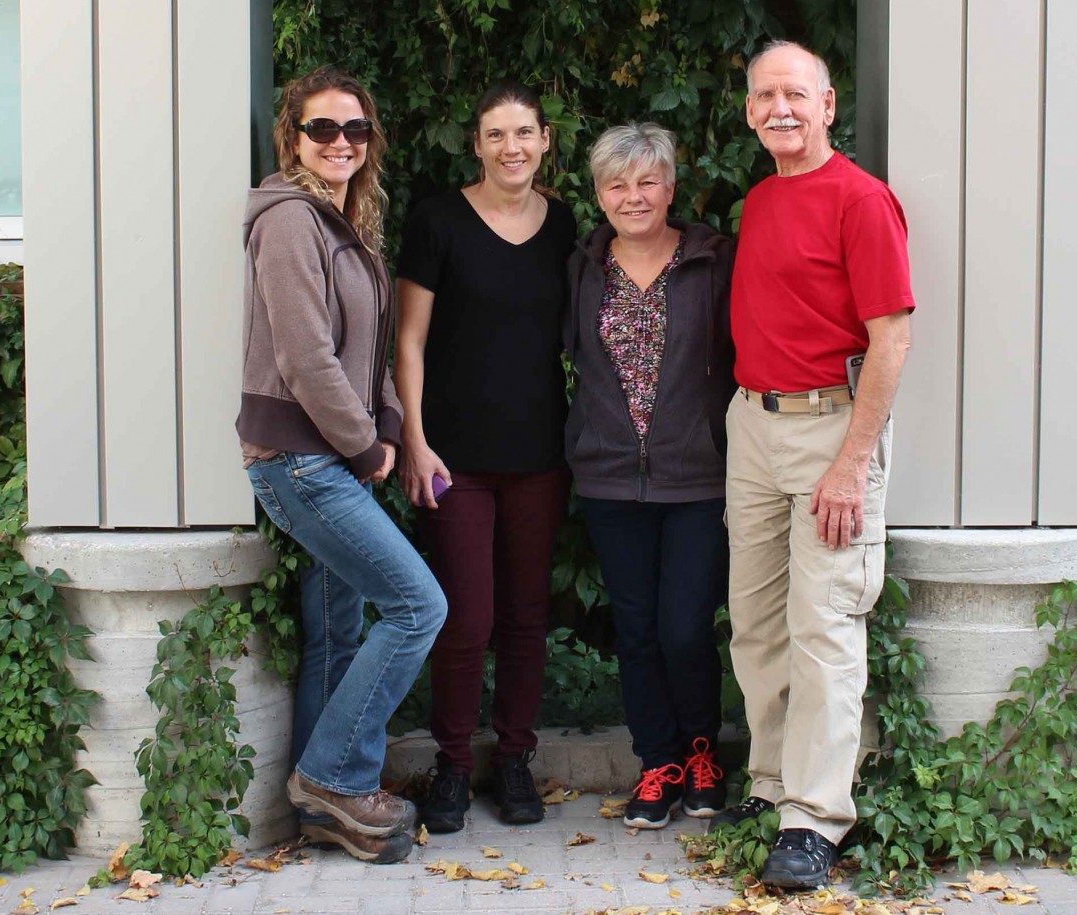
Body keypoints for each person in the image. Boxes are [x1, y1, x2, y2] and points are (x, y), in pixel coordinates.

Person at [713, 41, 914, 889]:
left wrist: (852, 462)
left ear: (828, 105)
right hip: (753, 426)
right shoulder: (762, 199)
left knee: (825, 624)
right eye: (766, 96)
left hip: (832, 429)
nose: (780, 108)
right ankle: (769, 783)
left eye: (796, 94)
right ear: (750, 111)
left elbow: (891, 338)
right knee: (757, 622)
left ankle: (815, 818)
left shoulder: (862, 200)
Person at [236, 66, 447, 864]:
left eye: (354, 129)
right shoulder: (290, 221)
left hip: (336, 455)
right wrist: (364, 444)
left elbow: (369, 353)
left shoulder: (346, 223)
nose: (340, 142)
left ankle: (319, 808)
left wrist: (386, 424)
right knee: (417, 606)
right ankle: (334, 774)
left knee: (336, 632)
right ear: (292, 138)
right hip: (301, 460)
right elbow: (305, 358)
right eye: (322, 128)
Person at [395, 81, 577, 833]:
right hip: (452, 457)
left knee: (526, 616)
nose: (512, 147)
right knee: (466, 616)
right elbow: (408, 340)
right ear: (476, 144)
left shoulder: (563, 224)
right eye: (496, 134)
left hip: (539, 452)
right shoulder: (438, 220)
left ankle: (513, 758)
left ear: (544, 140)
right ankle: (451, 764)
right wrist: (414, 439)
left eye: (524, 132)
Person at [564, 123, 734, 829]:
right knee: (635, 629)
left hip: (698, 476)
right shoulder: (583, 268)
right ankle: (657, 762)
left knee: (685, 626)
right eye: (617, 184)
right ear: (599, 193)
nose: (632, 196)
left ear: (670, 188)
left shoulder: (713, 262)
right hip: (610, 479)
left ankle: (701, 751)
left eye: (646, 181)